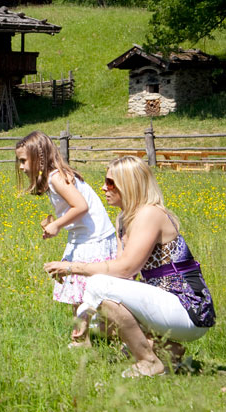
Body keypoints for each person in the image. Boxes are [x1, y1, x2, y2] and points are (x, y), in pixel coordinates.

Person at [44, 156, 215, 377]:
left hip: (190, 309)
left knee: (99, 285)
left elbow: (125, 269)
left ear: (129, 184)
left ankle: (149, 361)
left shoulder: (150, 214)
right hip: (167, 304)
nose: (103, 187)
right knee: (101, 316)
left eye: (110, 182)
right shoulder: (124, 219)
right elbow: (123, 277)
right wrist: (87, 311)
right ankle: (167, 351)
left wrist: (71, 268)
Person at [16, 131, 117, 346]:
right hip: (90, 235)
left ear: (38, 158)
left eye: (24, 161)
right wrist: (56, 223)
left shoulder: (55, 178)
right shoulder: (54, 177)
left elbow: (81, 206)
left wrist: (57, 225)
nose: (21, 167)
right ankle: (105, 335)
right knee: (84, 290)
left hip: (92, 239)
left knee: (80, 291)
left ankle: (83, 340)